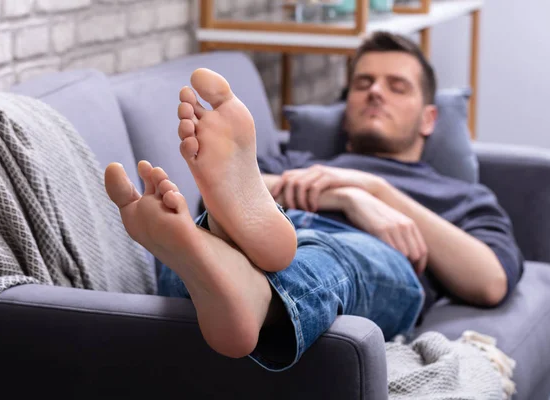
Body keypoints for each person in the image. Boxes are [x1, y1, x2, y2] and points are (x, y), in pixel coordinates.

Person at [104, 32, 523, 372]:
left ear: (429, 118)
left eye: (397, 87)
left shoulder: (457, 194)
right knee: (209, 230)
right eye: (364, 83)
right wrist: (339, 191)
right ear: (346, 108)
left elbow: (489, 281)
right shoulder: (298, 163)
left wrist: (373, 191)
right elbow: (232, 186)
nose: (376, 92)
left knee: (330, 255)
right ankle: (228, 264)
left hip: (368, 253)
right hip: (285, 221)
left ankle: (240, 277)